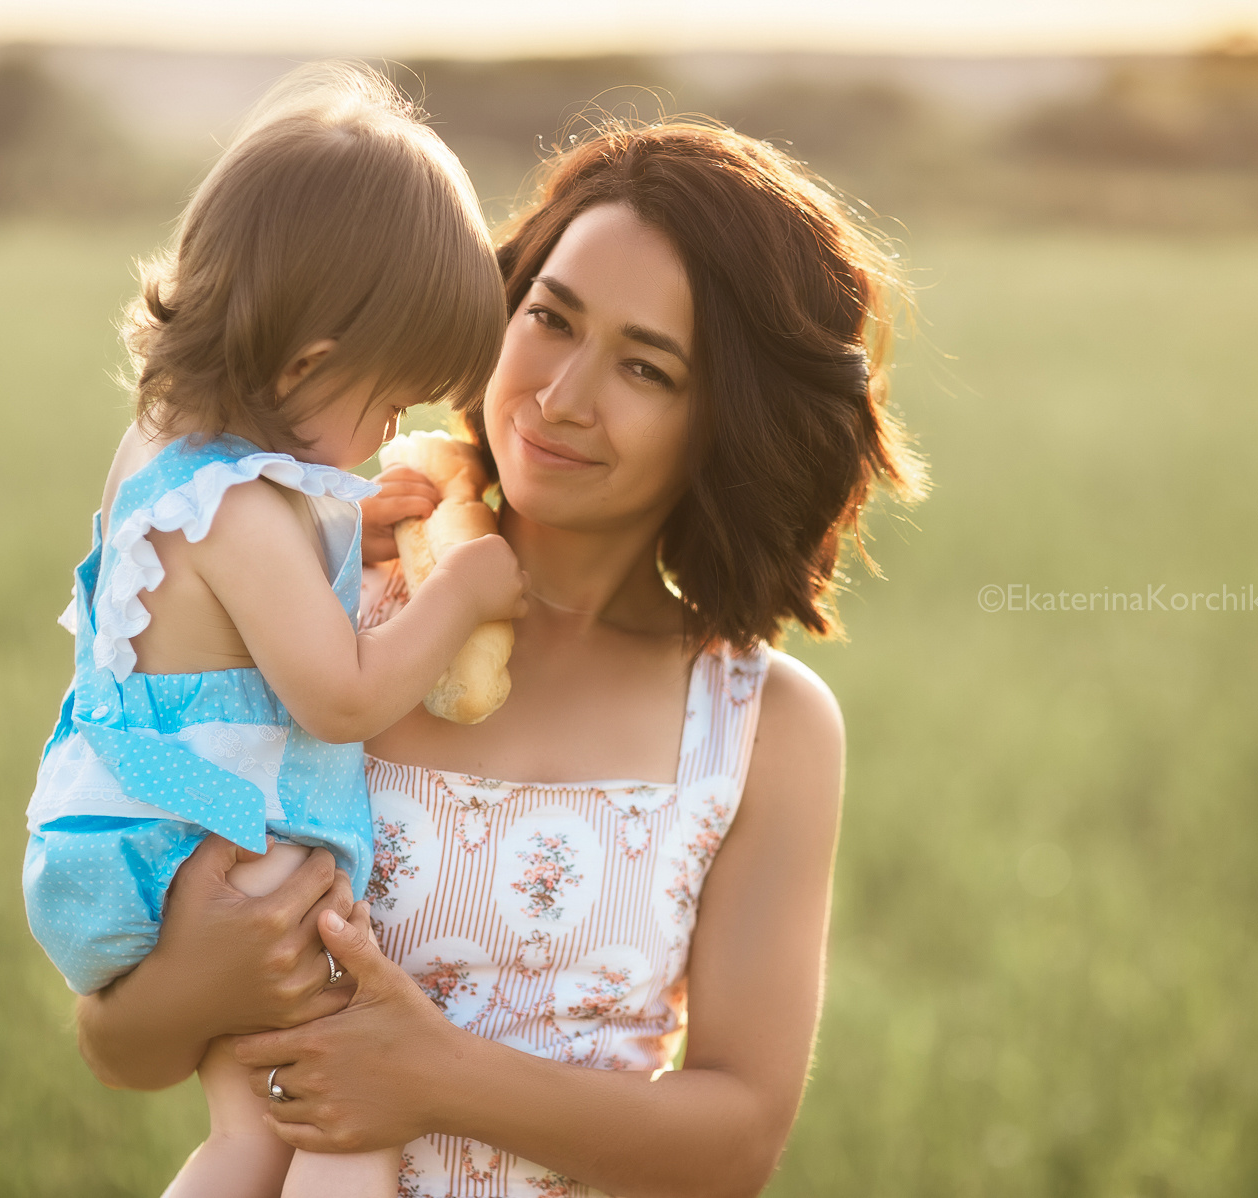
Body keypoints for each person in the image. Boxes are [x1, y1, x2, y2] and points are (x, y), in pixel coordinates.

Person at [74, 116, 927, 1198]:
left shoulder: (759, 726)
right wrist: (198, 979)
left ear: (728, 419)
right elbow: (117, 1045)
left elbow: (737, 1143)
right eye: (551, 318)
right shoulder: (320, 619)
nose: (563, 395)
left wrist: (438, 1079)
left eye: (648, 368)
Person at [21, 63, 526, 1198]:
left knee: (251, 1137)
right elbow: (336, 696)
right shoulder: (242, 508)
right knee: (354, 1125)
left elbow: (233, 620)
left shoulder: (167, 453)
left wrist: (369, 532)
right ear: (307, 366)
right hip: (220, 856)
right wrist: (463, 592)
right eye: (390, 406)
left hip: (132, 833)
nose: (390, 432)